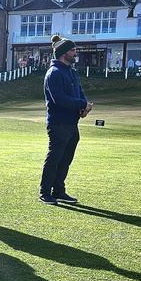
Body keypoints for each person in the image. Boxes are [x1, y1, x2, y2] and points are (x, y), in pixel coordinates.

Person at [40, 34, 93, 205]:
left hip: (72, 123)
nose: (75, 52)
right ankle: (45, 192)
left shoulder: (71, 72)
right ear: (63, 53)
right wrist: (82, 103)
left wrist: (83, 107)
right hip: (58, 123)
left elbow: (79, 92)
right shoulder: (54, 73)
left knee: (66, 159)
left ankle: (59, 191)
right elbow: (60, 99)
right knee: (55, 158)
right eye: (72, 50)